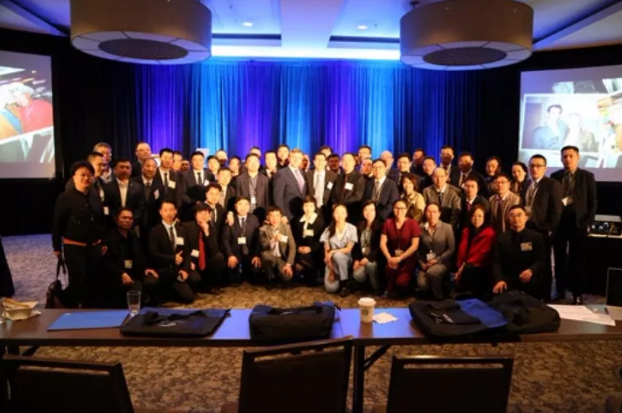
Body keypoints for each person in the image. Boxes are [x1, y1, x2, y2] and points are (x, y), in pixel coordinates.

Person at [52, 161, 106, 308]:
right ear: (74, 177)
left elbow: (101, 220)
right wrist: (57, 247)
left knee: (92, 281)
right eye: (82, 175)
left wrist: (103, 241)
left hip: (94, 247)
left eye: (89, 175)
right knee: (77, 281)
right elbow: (57, 224)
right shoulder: (65, 197)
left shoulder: (95, 196)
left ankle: (90, 311)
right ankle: (73, 311)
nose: (86, 178)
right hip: (75, 247)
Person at [551, 146, 597, 304]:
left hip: (578, 224)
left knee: (578, 260)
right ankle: (560, 290)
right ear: (561, 158)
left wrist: (588, 221)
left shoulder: (587, 176)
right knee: (559, 259)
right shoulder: (555, 176)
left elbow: (593, 201)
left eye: (571, 156)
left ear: (578, 157)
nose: (568, 159)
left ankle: (577, 293)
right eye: (564, 156)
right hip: (559, 224)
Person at [523, 154, 563, 301]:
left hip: (543, 231)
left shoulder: (552, 184)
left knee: (543, 264)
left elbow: (557, 210)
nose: (535, 169)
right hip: (527, 229)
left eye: (538, 166)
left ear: (545, 168)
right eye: (532, 166)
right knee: (529, 261)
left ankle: (545, 296)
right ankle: (531, 294)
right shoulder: (527, 184)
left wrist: (550, 229)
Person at [102, 208, 158, 308]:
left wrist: (146, 268)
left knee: (153, 280)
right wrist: (121, 273)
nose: (127, 220)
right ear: (116, 219)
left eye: (130, 218)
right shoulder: (110, 237)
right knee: (136, 288)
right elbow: (107, 262)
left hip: (134, 272)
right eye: (124, 218)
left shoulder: (133, 235)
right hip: (116, 274)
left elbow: (140, 256)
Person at [148, 200, 199, 304]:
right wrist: (172, 258)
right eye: (165, 210)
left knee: (194, 284)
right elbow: (153, 253)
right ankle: (168, 291)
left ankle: (172, 290)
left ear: (176, 211)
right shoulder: (154, 231)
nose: (169, 213)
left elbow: (187, 252)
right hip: (163, 269)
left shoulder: (181, 230)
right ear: (160, 212)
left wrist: (185, 270)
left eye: (171, 210)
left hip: (178, 269)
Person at [492, 205, 547, 300]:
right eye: (512, 215)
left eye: (519, 215)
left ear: (526, 217)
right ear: (509, 218)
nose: (516, 218)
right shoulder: (501, 238)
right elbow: (496, 262)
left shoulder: (536, 237)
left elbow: (542, 260)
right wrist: (499, 279)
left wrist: (531, 270)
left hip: (528, 277)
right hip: (508, 278)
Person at [379, 199, 421, 298]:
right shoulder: (388, 223)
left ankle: (406, 287)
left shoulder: (413, 223)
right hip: (392, 257)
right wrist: (389, 258)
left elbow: (415, 246)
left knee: (401, 282)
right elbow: (382, 243)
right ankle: (389, 289)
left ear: (406, 210)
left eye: (402, 208)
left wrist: (400, 258)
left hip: (407, 258)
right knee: (390, 268)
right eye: (396, 208)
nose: (399, 211)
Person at [183, 203, 226, 295]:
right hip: (191, 260)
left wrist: (207, 232)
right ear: (195, 215)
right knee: (195, 280)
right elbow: (183, 247)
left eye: (206, 213)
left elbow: (214, 250)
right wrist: (188, 262)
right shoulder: (187, 227)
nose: (203, 215)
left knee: (219, 258)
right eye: (200, 213)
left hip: (205, 259)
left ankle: (211, 286)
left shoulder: (211, 227)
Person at [455, 204, 496, 299]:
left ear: (485, 218)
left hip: (481, 265)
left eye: (480, 216)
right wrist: (460, 266)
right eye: (473, 216)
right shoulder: (466, 231)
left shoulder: (489, 233)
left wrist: (463, 266)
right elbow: (462, 251)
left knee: (468, 269)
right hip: (466, 263)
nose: (476, 219)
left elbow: (481, 255)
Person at [416, 203, 455, 300]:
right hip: (426, 263)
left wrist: (437, 260)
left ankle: (439, 296)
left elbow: (451, 249)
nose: (432, 214)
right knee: (421, 284)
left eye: (434, 212)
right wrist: (421, 263)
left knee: (432, 272)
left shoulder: (447, 227)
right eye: (429, 212)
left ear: (439, 213)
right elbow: (417, 249)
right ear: (425, 213)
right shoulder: (420, 228)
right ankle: (432, 292)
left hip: (442, 262)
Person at [222, 197, 262, 284]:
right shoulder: (230, 218)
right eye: (240, 204)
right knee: (234, 278)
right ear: (235, 206)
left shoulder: (254, 219)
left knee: (255, 271)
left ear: (249, 207)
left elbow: (257, 240)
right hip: (234, 252)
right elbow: (225, 239)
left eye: (246, 204)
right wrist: (230, 255)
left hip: (249, 252)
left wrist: (256, 255)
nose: (243, 207)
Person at [321, 204, 358, 296]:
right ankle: (344, 279)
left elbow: (348, 249)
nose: (339, 215)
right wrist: (331, 270)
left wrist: (333, 251)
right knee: (331, 289)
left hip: (346, 260)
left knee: (338, 255)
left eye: (342, 212)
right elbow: (326, 252)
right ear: (333, 214)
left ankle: (344, 284)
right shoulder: (328, 230)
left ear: (346, 214)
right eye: (337, 213)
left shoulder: (352, 228)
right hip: (332, 262)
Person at [259, 207, 296, 289]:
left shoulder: (286, 227)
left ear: (281, 217)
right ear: (268, 217)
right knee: (265, 255)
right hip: (270, 256)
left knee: (287, 277)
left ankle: (278, 273)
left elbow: (292, 246)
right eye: (271, 216)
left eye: (277, 216)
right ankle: (270, 278)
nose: (274, 218)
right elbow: (264, 245)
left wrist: (288, 264)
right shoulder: (263, 229)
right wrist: (273, 240)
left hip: (281, 258)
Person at [292, 196, 326, 285]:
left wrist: (310, 248)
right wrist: (298, 247)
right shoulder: (298, 220)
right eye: (306, 206)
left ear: (314, 207)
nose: (308, 209)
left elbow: (321, 241)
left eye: (311, 206)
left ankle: (313, 275)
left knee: (303, 261)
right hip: (300, 249)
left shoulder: (319, 222)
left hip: (314, 250)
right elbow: (295, 237)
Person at [353, 201, 383, 294]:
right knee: (357, 275)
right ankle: (368, 286)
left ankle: (377, 289)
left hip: (375, 259)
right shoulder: (359, 226)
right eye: (366, 210)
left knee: (370, 265)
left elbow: (379, 247)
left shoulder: (381, 226)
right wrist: (356, 259)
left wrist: (368, 258)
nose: (369, 213)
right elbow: (356, 246)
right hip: (362, 258)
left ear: (376, 211)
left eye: (371, 210)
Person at [103, 157, 144, 226]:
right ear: (115, 170)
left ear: (131, 171)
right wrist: (116, 220)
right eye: (122, 167)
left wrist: (130, 221)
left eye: (127, 168)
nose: (125, 170)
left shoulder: (138, 187)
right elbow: (107, 207)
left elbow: (140, 208)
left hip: (132, 225)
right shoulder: (107, 187)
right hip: (112, 225)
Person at [234, 153, 271, 223]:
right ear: (246, 164)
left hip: (261, 212)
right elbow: (237, 197)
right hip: (245, 212)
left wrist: (267, 214)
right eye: (250, 161)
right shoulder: (239, 179)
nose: (253, 164)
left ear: (259, 164)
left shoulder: (265, 179)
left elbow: (267, 199)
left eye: (256, 161)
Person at [273, 149, 307, 221]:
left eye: (299, 158)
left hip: (301, 213)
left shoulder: (302, 172)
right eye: (294, 157)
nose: (296, 160)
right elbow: (278, 197)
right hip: (288, 214)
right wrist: (282, 214)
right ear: (289, 158)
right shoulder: (281, 173)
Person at [332, 153, 365, 224]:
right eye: (344, 160)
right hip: (338, 212)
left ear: (354, 162)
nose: (346, 163)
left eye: (349, 160)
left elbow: (357, 196)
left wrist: (341, 204)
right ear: (340, 163)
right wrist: (334, 203)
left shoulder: (359, 177)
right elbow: (333, 193)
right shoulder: (339, 177)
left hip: (351, 211)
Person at [180, 151, 213, 221]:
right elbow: (182, 193)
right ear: (191, 162)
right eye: (195, 160)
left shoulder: (210, 175)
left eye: (200, 160)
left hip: (207, 209)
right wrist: (194, 202)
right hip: (190, 209)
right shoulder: (184, 176)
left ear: (204, 161)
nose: (198, 162)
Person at [305, 152, 337, 224]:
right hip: (310, 208)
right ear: (314, 162)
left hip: (326, 208)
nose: (319, 162)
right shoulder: (307, 175)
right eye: (317, 160)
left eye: (322, 160)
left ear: (326, 162)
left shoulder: (333, 176)